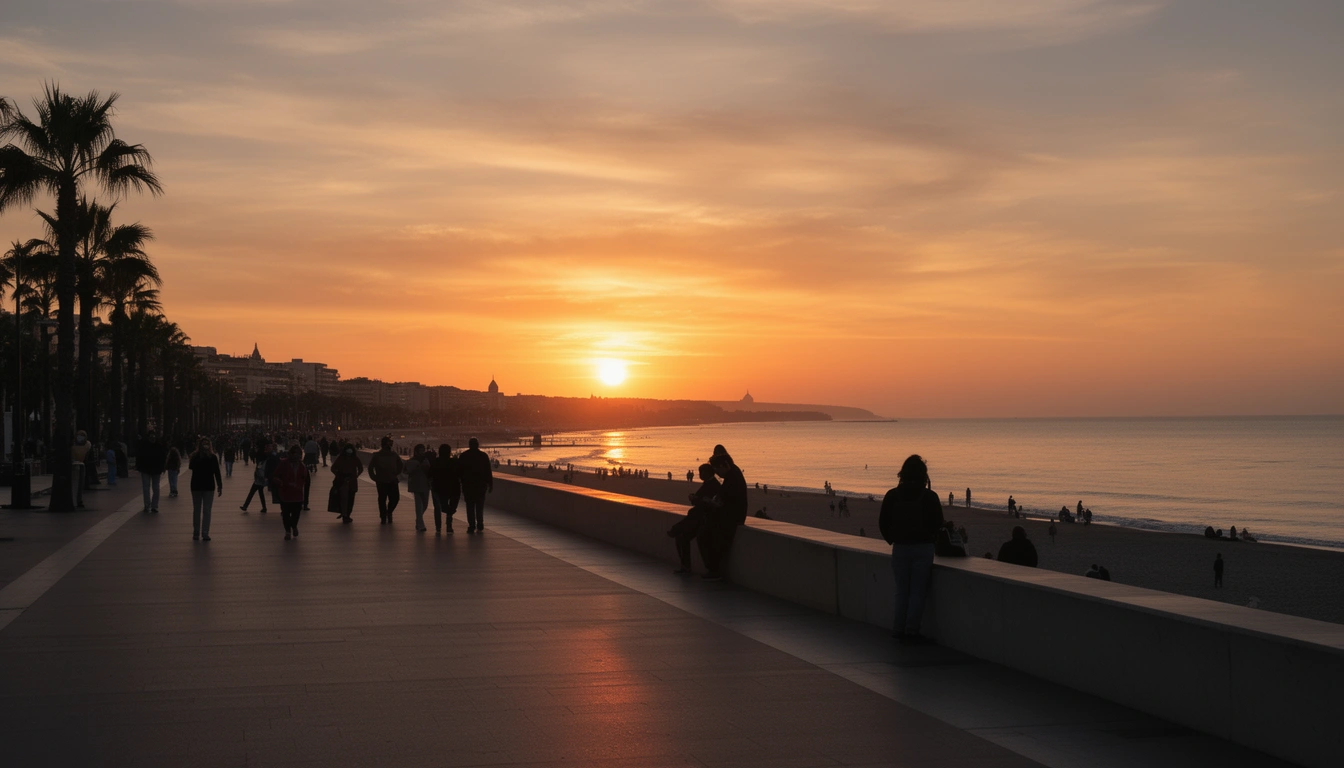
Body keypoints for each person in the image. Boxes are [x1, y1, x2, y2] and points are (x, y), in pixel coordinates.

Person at [879, 455, 945, 645]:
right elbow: (938, 522)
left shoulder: (892, 495)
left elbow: (883, 522)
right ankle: (911, 630)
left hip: (900, 547)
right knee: (917, 591)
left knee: (902, 590)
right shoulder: (929, 497)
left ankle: (898, 628)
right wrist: (930, 538)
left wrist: (892, 539)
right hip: (923, 548)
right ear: (923, 475)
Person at [697, 451, 747, 581]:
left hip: (731, 517)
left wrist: (712, 502)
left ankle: (714, 570)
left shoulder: (732, 478)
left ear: (724, 465)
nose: (717, 474)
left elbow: (726, 501)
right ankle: (713, 569)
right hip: (732, 515)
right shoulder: (733, 474)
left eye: (718, 470)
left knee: (706, 537)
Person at [669, 463, 719, 574]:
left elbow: (706, 503)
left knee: (682, 535)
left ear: (708, 473)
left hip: (703, 519)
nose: (700, 475)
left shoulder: (712, 485)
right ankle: (685, 565)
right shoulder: (708, 484)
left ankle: (675, 530)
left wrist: (695, 499)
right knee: (682, 537)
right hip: (699, 517)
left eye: (702, 472)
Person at [187, 438, 223, 541]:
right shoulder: (195, 456)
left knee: (207, 510)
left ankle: (205, 532)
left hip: (209, 486)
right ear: (200, 445)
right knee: (197, 510)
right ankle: (196, 531)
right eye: (204, 443)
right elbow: (191, 467)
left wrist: (220, 485)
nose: (205, 445)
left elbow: (217, 472)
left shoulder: (213, 457)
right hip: (196, 486)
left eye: (207, 444)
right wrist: (200, 456)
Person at [274, 445, 311, 540]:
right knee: (285, 514)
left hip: (297, 494)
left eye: (299, 454)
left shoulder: (302, 465)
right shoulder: (284, 464)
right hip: (285, 493)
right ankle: (287, 531)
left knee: (296, 514)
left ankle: (294, 526)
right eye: (296, 454)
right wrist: (281, 483)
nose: (298, 456)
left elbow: (305, 478)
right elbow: (275, 476)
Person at [458, 437, 493, 533]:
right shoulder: (483, 456)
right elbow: (488, 471)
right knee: (479, 506)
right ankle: (480, 523)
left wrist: (460, 483)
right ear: (478, 445)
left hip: (468, 485)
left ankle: (472, 525)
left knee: (470, 506)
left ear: (469, 445)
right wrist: (490, 484)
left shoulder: (464, 456)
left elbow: (459, 472)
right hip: (480, 485)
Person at [368, 436, 404, 525]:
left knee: (395, 498)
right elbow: (370, 468)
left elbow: (400, 465)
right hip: (381, 481)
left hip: (392, 480)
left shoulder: (394, 455)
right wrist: (375, 478)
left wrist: (396, 473)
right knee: (382, 499)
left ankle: (389, 511)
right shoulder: (377, 455)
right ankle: (383, 516)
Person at [328, 442, 363, 523]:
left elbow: (360, 468)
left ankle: (347, 514)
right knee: (344, 499)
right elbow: (333, 468)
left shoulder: (355, 459)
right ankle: (345, 515)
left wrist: (356, 476)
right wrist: (340, 476)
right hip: (343, 482)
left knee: (350, 499)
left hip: (352, 482)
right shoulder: (342, 458)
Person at [430, 444, 460, 535]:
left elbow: (430, 474)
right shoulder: (454, 462)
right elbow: (460, 473)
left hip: (439, 488)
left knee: (440, 507)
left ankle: (438, 527)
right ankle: (449, 525)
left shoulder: (435, 462)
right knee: (451, 506)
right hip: (453, 488)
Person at [137, 430, 167, 514]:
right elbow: (163, 457)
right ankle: (153, 506)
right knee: (154, 487)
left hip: (148, 469)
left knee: (149, 487)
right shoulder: (159, 446)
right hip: (152, 469)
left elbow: (139, 456)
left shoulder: (144, 445)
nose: (152, 438)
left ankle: (149, 505)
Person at [405, 444, 433, 533]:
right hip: (416, 484)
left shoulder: (426, 460)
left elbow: (429, 471)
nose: (422, 452)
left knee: (425, 504)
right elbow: (406, 471)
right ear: (416, 451)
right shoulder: (412, 461)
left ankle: (418, 520)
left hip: (425, 484)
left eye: (423, 450)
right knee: (418, 505)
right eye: (420, 450)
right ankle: (421, 525)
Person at [240, 443, 270, 514]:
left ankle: (245, 506)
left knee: (252, 492)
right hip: (260, 479)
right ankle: (263, 507)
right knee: (260, 493)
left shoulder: (262, 462)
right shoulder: (264, 459)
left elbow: (259, 470)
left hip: (259, 479)